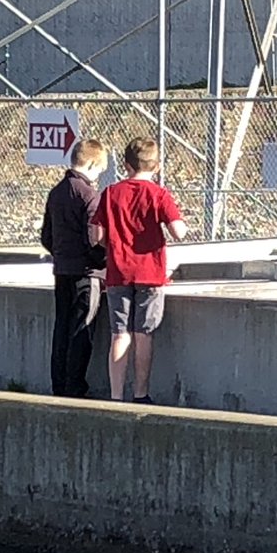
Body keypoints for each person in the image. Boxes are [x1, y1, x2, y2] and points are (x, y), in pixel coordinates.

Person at [91, 137, 188, 404]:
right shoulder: (159, 194)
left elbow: (96, 235)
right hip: (150, 273)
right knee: (143, 334)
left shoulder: (110, 193)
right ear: (156, 166)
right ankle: (141, 393)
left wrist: (112, 242)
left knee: (119, 333)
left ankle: (115, 395)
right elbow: (179, 231)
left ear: (126, 165)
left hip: (118, 272)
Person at [39, 138, 109, 397]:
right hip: (86, 273)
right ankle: (75, 385)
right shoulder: (89, 195)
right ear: (90, 164)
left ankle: (59, 384)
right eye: (99, 170)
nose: (98, 176)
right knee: (82, 327)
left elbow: (46, 236)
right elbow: (93, 239)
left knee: (62, 327)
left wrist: (62, 254)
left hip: (62, 270)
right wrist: (103, 262)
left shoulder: (56, 192)